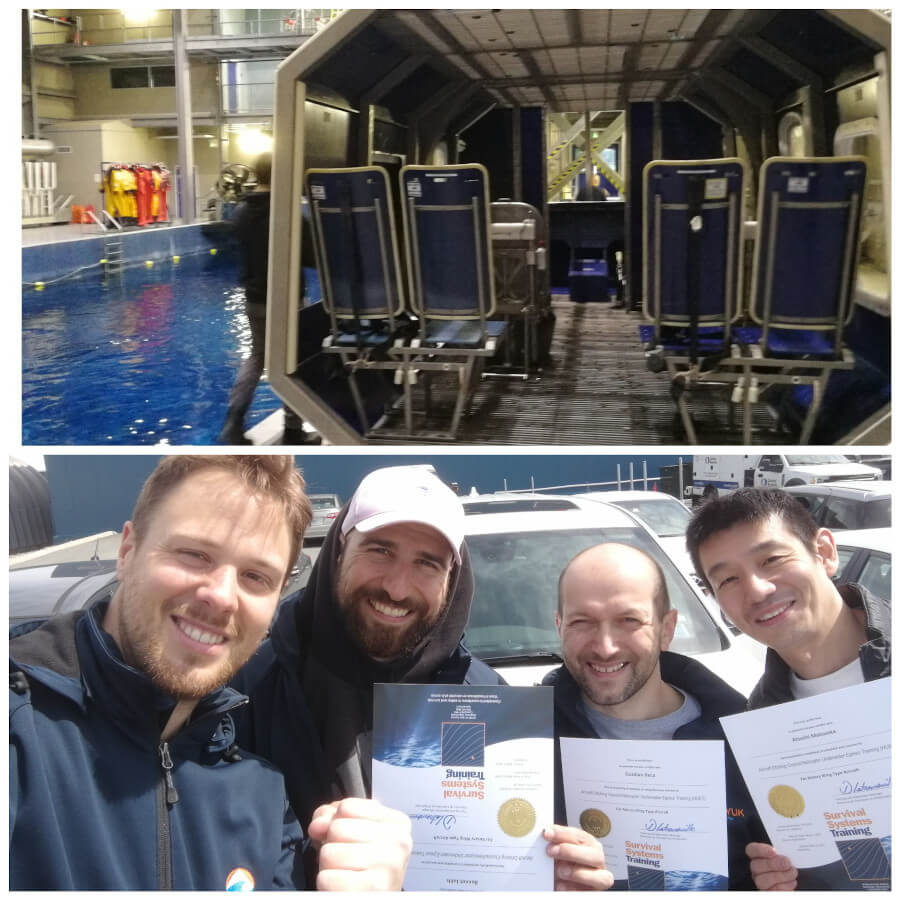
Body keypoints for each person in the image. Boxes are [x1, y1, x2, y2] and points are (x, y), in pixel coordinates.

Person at [10, 455, 412, 891]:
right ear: (127, 551)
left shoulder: (260, 796)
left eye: (256, 577)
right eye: (194, 554)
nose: (221, 596)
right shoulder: (20, 732)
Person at [235, 464, 614, 890]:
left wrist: (558, 877)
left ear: (452, 582)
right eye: (379, 550)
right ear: (339, 549)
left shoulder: (491, 704)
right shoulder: (247, 690)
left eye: (427, 564)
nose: (397, 588)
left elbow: (513, 863)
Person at [685, 487, 890, 891]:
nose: (757, 590)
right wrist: (779, 879)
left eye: (772, 560)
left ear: (825, 552)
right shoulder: (758, 727)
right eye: (728, 579)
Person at [544, 542, 763, 890]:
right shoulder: (525, 744)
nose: (605, 647)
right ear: (559, 626)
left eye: (628, 620)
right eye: (582, 621)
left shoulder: (745, 738)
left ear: (667, 627)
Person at [217, 152, 316, 446]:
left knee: (257, 357)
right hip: (285, 300)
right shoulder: (285, 211)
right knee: (292, 362)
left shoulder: (243, 212)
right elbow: (311, 256)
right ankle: (294, 429)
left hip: (254, 298)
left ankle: (233, 423)